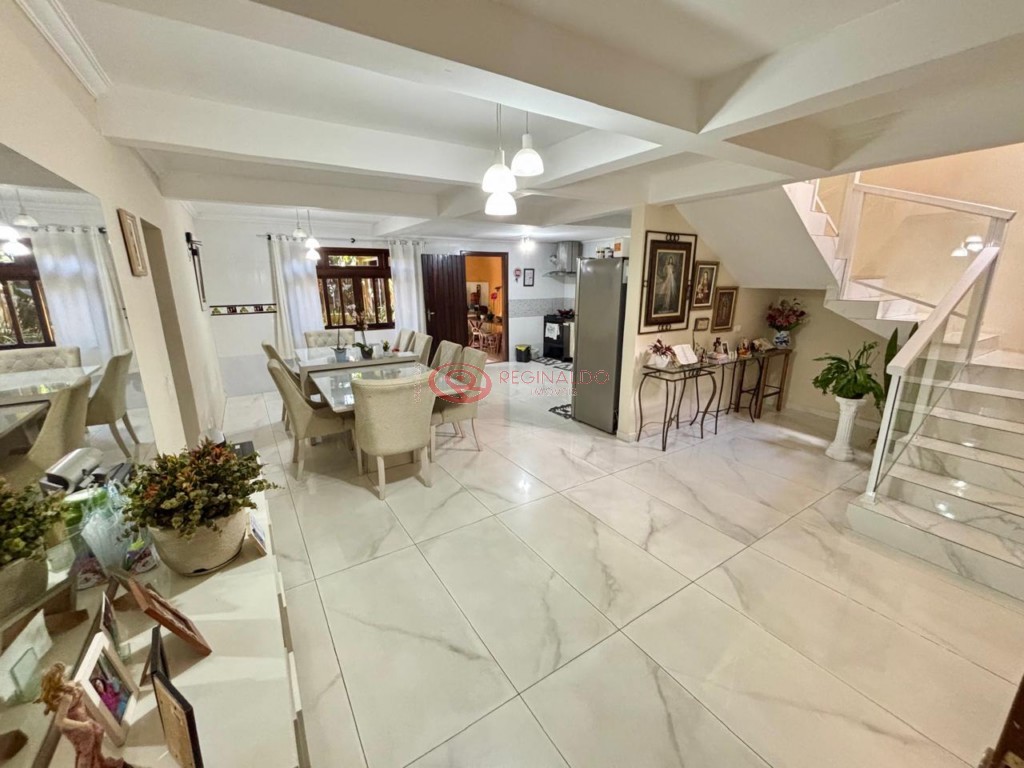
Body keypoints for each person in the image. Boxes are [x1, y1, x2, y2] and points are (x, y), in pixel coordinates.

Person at [37, 663, 131, 768]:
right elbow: (60, 721)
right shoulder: (66, 698)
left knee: (97, 735)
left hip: (83, 720)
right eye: (62, 676)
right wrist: (82, 725)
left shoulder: (69, 688)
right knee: (86, 751)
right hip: (77, 727)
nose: (65, 676)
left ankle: (100, 763)